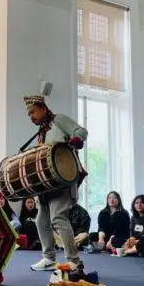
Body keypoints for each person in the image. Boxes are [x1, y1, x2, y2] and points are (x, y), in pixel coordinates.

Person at [23, 94, 88, 271]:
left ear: (43, 108)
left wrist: (75, 141)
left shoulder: (58, 120)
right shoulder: (41, 133)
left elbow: (81, 131)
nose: (31, 116)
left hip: (63, 180)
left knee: (58, 218)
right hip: (46, 184)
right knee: (40, 221)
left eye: (32, 112)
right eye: (28, 114)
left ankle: (73, 260)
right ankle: (49, 258)